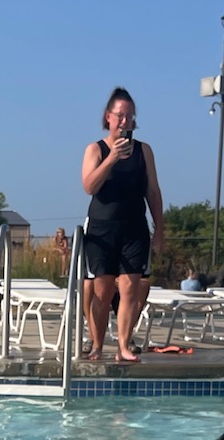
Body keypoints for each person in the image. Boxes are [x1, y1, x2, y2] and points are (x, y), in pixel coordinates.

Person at [81, 86, 164, 363]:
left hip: (134, 227)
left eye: (130, 116)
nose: (125, 122)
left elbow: (153, 191)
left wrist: (159, 229)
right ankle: (96, 344)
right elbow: (89, 185)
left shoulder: (144, 151)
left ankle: (124, 346)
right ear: (108, 117)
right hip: (103, 229)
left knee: (130, 288)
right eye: (120, 116)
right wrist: (112, 158)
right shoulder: (96, 149)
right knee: (102, 292)